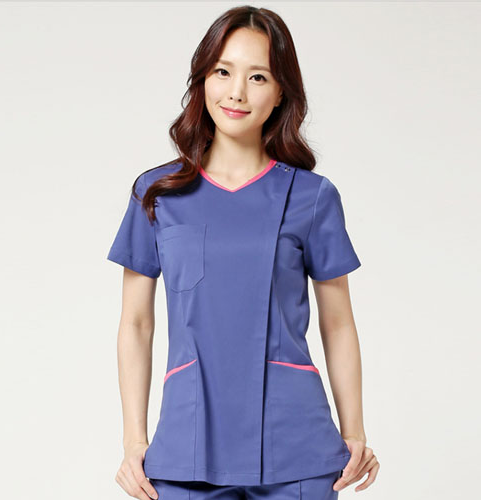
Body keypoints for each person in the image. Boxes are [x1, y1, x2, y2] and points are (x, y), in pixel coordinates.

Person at [107, 5, 379, 500]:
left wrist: (354, 430)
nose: (236, 92)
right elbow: (136, 324)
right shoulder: (156, 194)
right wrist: (134, 441)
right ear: (202, 80)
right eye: (222, 72)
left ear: (280, 93)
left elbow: (338, 322)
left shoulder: (312, 197)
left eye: (258, 77)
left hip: (295, 446)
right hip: (188, 443)